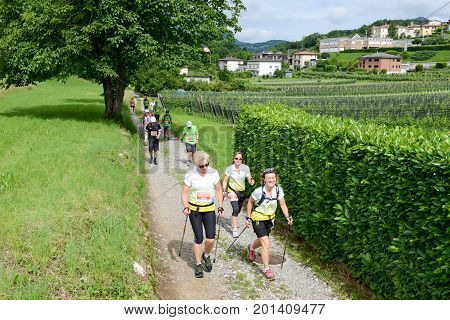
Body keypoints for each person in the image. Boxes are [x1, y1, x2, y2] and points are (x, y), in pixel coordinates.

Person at [181, 151, 224, 278]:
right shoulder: (191, 174)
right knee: (199, 238)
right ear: (196, 165)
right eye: (201, 166)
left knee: (210, 239)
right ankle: (198, 264)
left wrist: (220, 205)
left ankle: (206, 255)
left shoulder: (213, 173)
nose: (205, 168)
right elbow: (184, 193)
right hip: (195, 210)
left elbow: (219, 189)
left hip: (209, 209)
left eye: (206, 165)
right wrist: (185, 207)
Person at [245, 168, 293, 280]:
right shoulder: (258, 191)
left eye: (273, 177)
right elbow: (250, 203)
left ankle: (251, 247)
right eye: (269, 178)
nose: (271, 179)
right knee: (266, 242)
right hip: (257, 218)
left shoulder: (278, 190)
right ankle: (267, 269)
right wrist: (248, 217)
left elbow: (283, 205)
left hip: (270, 219)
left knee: (263, 241)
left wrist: (287, 216)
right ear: (264, 180)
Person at [222, 152, 255, 238]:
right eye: (236, 158)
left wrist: (251, 181)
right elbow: (225, 180)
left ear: (242, 160)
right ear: (234, 159)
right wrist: (224, 190)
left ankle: (233, 219)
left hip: (241, 193)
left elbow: (249, 178)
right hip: (232, 191)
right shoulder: (230, 168)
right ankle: (235, 230)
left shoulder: (246, 168)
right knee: (235, 209)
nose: (238, 160)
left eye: (240, 159)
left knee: (237, 211)